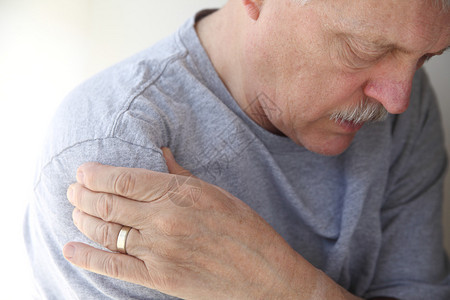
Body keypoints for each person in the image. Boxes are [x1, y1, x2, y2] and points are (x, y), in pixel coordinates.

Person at [24, 0, 450, 299]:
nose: (398, 100)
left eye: (426, 58)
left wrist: (275, 286)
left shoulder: (399, 102)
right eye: (366, 48)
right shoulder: (117, 145)